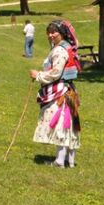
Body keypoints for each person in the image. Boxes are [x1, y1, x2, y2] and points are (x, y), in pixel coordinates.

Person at [29, 20, 81, 168]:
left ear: (62, 33)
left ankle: (60, 161)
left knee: (60, 124)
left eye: (54, 32)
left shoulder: (59, 51)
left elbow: (56, 73)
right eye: (49, 32)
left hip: (59, 92)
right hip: (67, 90)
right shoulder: (65, 47)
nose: (50, 35)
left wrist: (38, 75)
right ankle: (68, 160)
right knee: (67, 125)